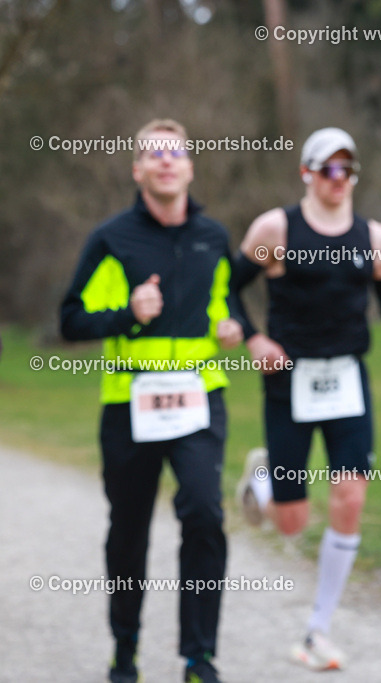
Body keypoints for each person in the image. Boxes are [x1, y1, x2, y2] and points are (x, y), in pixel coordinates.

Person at [61, 119, 250, 683]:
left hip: (199, 398)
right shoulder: (112, 238)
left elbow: (229, 305)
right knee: (129, 529)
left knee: (204, 512)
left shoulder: (214, 237)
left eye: (176, 153)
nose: (166, 161)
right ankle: (126, 651)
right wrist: (127, 314)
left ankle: (199, 657)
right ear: (138, 169)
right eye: (153, 154)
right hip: (129, 405)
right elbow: (70, 319)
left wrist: (235, 327)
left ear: (191, 166)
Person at [233, 127, 381, 670]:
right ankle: (262, 482)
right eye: (328, 169)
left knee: (350, 497)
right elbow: (229, 284)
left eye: (347, 169)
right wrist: (254, 337)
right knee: (291, 522)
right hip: (287, 378)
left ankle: (317, 631)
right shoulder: (276, 228)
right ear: (307, 174)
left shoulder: (377, 238)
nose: (339, 179)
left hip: (346, 380)